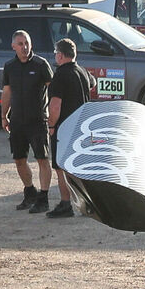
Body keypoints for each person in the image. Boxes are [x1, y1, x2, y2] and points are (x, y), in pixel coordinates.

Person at [0, 28, 58, 214]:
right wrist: (4, 115)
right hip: (17, 121)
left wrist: (53, 115)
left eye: (27, 43)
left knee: (42, 159)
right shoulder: (10, 67)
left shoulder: (41, 64)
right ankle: (29, 192)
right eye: (20, 44)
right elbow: (7, 92)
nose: (24, 47)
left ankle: (44, 198)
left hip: (38, 120)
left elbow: (54, 90)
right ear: (13, 46)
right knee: (19, 159)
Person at [45, 38, 95, 219]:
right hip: (82, 127)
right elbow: (93, 83)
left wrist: (51, 126)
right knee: (80, 168)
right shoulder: (82, 71)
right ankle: (88, 204)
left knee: (62, 169)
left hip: (65, 128)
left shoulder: (59, 75)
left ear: (59, 55)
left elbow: (55, 106)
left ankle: (66, 204)